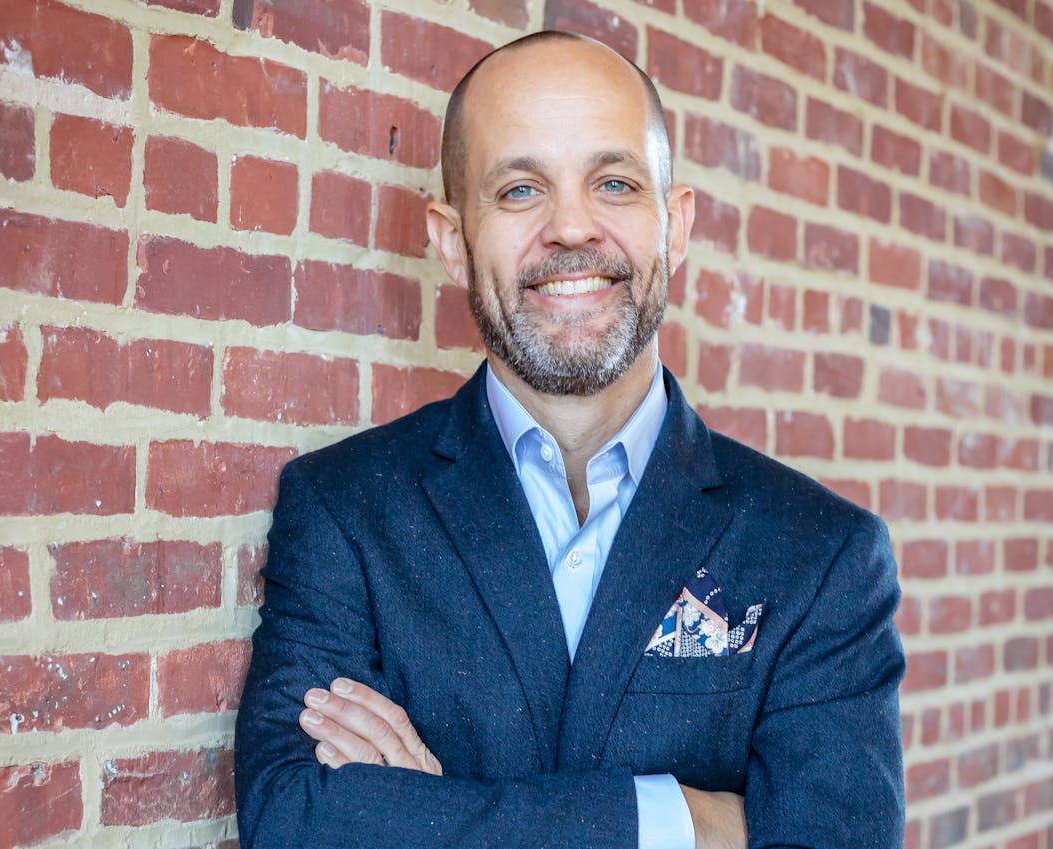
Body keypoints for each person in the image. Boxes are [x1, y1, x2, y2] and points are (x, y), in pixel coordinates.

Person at [234, 30, 905, 849]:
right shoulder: (343, 510)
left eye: (615, 182)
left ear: (677, 224)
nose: (572, 228)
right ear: (452, 240)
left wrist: (430, 819)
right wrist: (680, 821)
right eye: (520, 190)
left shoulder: (822, 555)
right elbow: (295, 819)